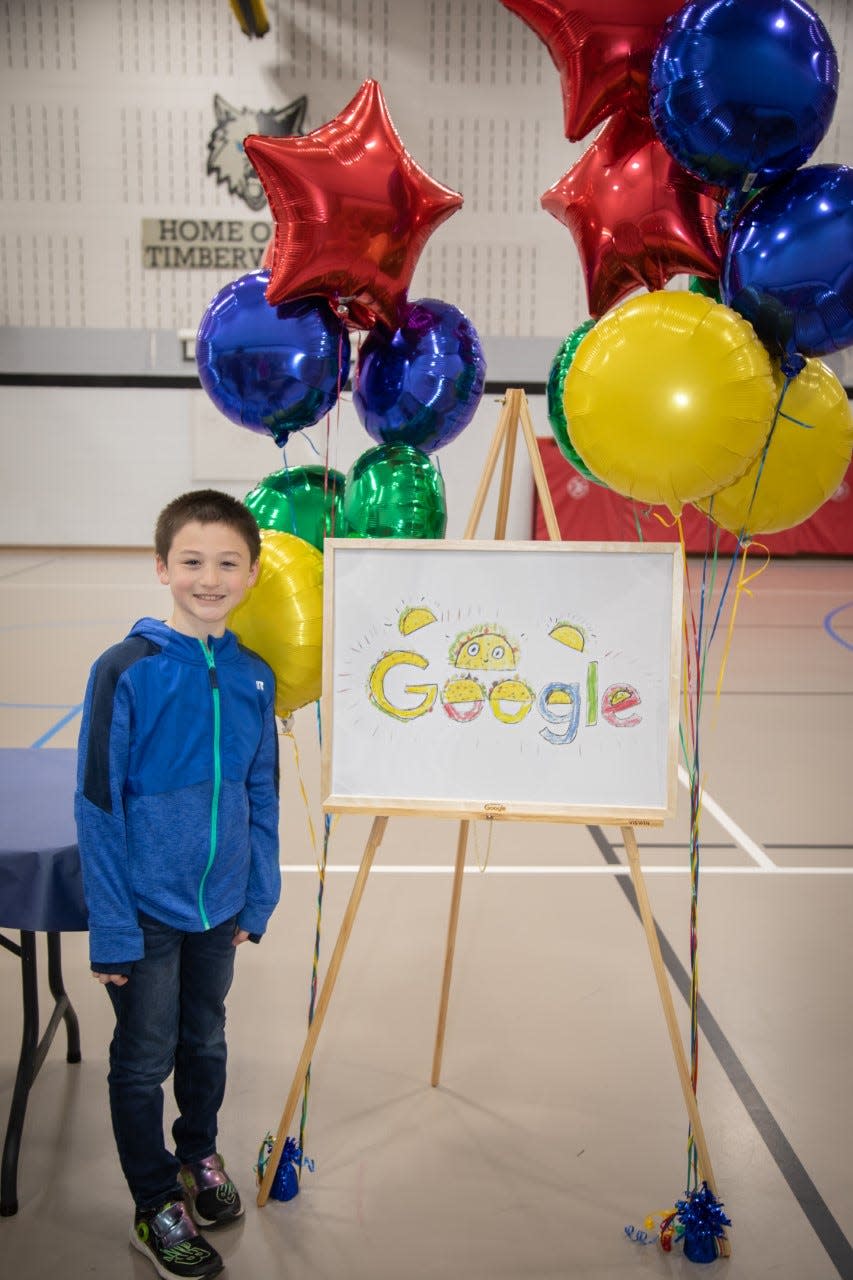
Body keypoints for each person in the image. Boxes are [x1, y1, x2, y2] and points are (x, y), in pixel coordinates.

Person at [75, 489, 281, 1280]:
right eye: (192, 561)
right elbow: (97, 802)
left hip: (220, 906)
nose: (209, 577)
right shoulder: (124, 669)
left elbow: (260, 793)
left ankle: (198, 1155)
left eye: (228, 562)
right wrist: (115, 926)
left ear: (252, 574)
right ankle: (153, 1200)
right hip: (145, 912)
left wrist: (255, 896)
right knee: (143, 1057)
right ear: (162, 567)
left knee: (206, 1039)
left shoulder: (254, 677)